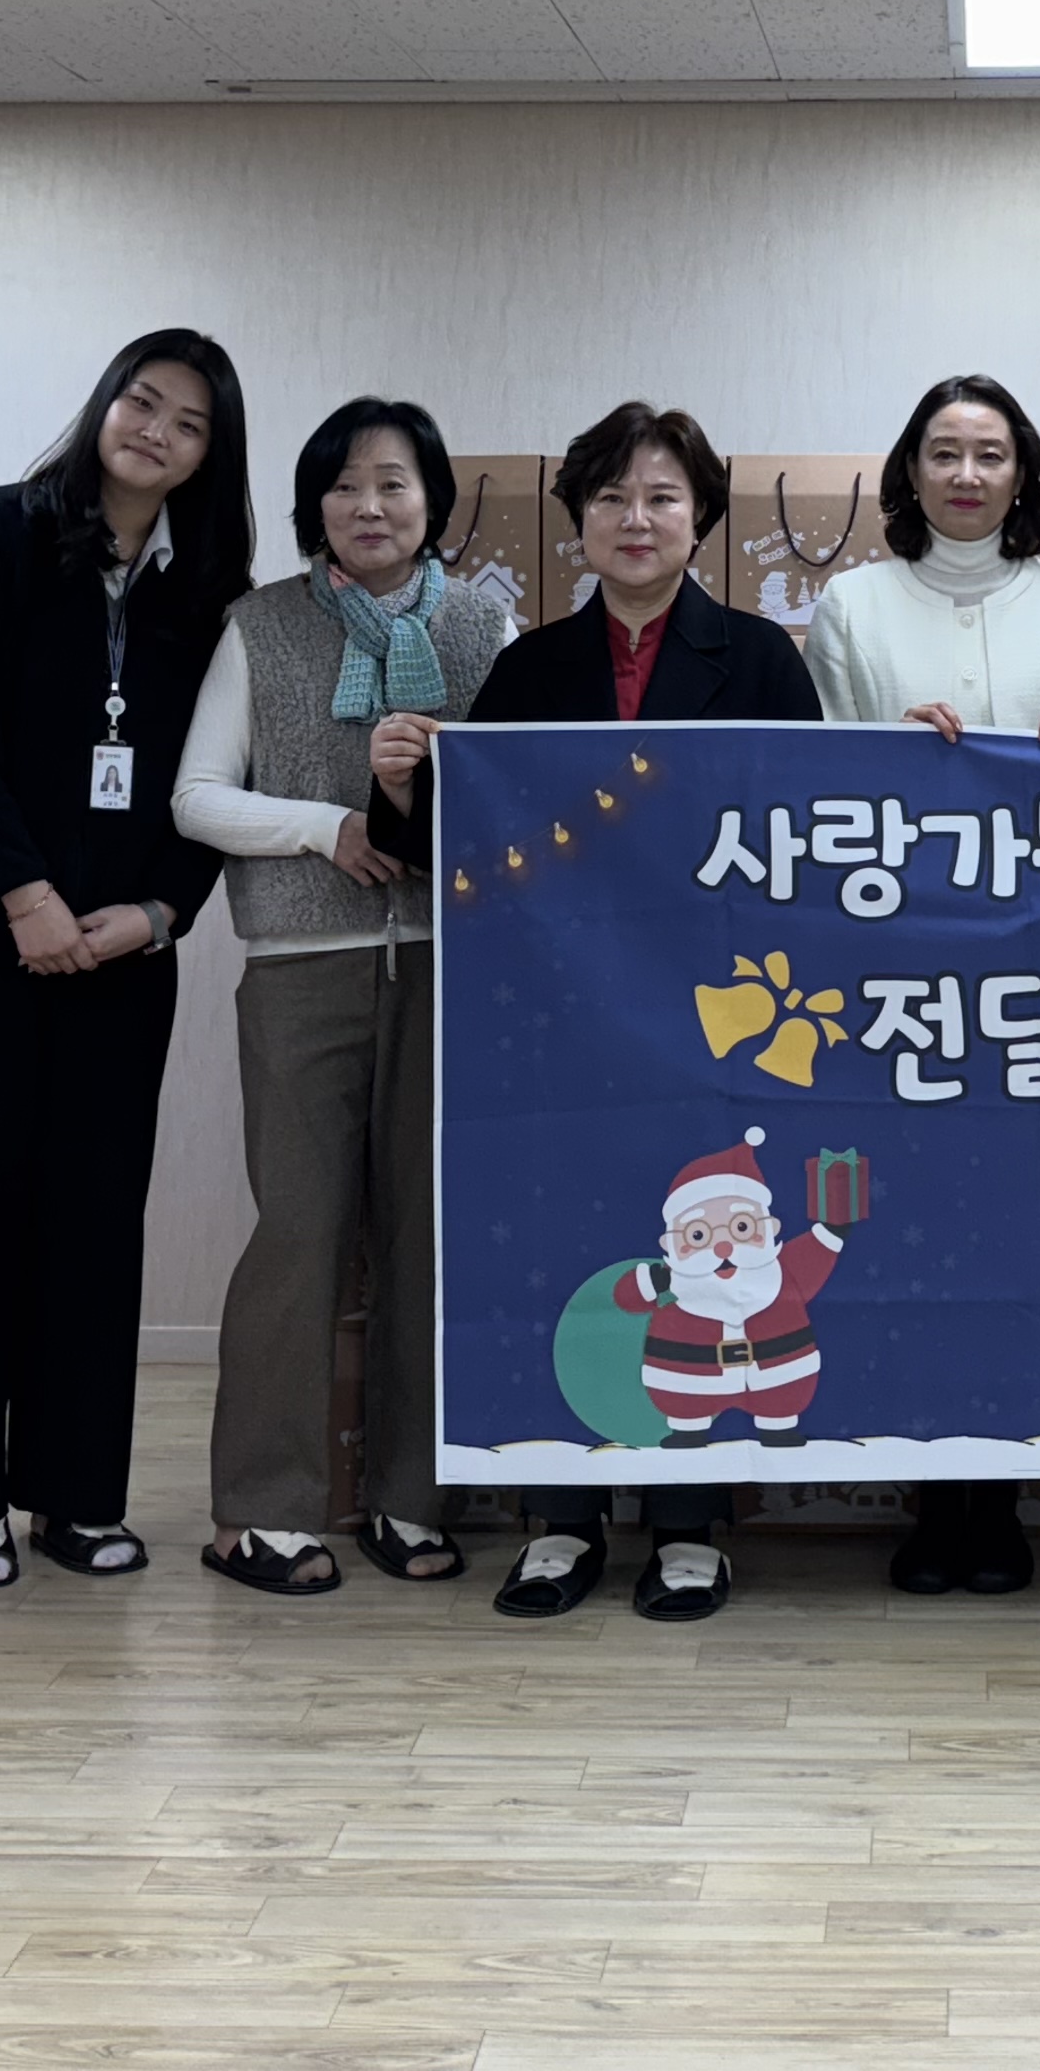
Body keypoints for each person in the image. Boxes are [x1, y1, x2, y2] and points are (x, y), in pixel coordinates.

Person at [370, 403, 821, 1624]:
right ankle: (560, 1521)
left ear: (701, 518)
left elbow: (807, 836)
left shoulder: (763, 662)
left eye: (663, 497)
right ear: (577, 520)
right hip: (554, 1022)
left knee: (706, 1264)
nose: (637, 519)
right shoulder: (530, 669)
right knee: (561, 1252)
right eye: (613, 497)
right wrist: (403, 785)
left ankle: (689, 1527)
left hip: (709, 1018)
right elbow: (468, 849)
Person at [0, 332, 252, 1593]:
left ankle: (77, 1499)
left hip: (122, 953)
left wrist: (162, 909)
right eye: (142, 401)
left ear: (209, 457)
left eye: (188, 423)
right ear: (104, 406)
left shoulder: (209, 591)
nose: (156, 431)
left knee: (90, 1225)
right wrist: (22, 894)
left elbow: (220, 775)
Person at [174, 398, 512, 1598]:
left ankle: (411, 1497)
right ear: (313, 503)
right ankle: (260, 1510)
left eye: (395, 483)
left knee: (427, 1238)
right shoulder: (259, 624)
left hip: (449, 967)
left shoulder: (485, 626)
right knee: (300, 1234)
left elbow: (523, 793)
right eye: (345, 485)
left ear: (434, 503)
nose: (370, 506)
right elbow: (197, 799)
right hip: (300, 968)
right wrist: (328, 827)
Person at [799, 372, 1040, 1599]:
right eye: (944, 452)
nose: (967, 475)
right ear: (910, 472)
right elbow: (818, 784)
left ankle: (1003, 1499)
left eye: (990, 454)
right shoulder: (852, 605)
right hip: (899, 973)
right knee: (911, 1236)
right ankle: (933, 1498)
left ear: (1022, 473)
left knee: (1024, 1231)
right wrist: (892, 759)